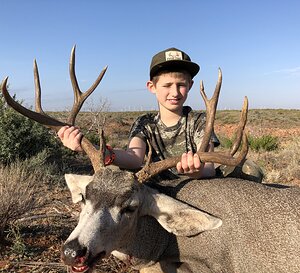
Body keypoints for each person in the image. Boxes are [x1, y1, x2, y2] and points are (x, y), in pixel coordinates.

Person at [58, 47, 263, 182]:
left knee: (249, 169)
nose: (174, 92)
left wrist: (197, 170)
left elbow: (209, 167)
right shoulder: (145, 124)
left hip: (200, 186)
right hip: (158, 190)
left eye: (181, 85)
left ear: (190, 86)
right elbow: (133, 157)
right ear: (152, 87)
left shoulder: (199, 121)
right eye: (167, 85)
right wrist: (95, 149)